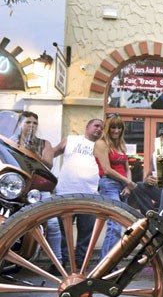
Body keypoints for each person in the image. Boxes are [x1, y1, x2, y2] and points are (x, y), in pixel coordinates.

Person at [12, 111, 62, 265]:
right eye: (28, 122)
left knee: (52, 224)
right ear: (20, 124)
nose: (32, 126)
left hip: (38, 188)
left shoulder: (43, 143)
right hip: (17, 187)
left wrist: (33, 152)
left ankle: (57, 262)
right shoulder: (12, 141)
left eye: (35, 123)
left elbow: (48, 164)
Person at [53, 118, 104, 268]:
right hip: (65, 192)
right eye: (96, 126)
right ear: (87, 126)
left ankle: (81, 263)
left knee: (86, 232)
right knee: (64, 232)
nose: (99, 129)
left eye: (102, 127)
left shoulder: (101, 146)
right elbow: (51, 154)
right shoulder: (71, 140)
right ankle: (62, 262)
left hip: (90, 195)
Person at [94, 114, 137, 259]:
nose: (116, 131)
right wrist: (128, 182)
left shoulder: (120, 145)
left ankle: (109, 262)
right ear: (108, 128)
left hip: (122, 186)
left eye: (119, 127)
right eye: (113, 127)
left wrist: (128, 185)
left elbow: (127, 167)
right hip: (109, 184)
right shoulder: (101, 144)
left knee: (120, 224)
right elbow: (106, 169)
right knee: (115, 225)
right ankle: (106, 264)